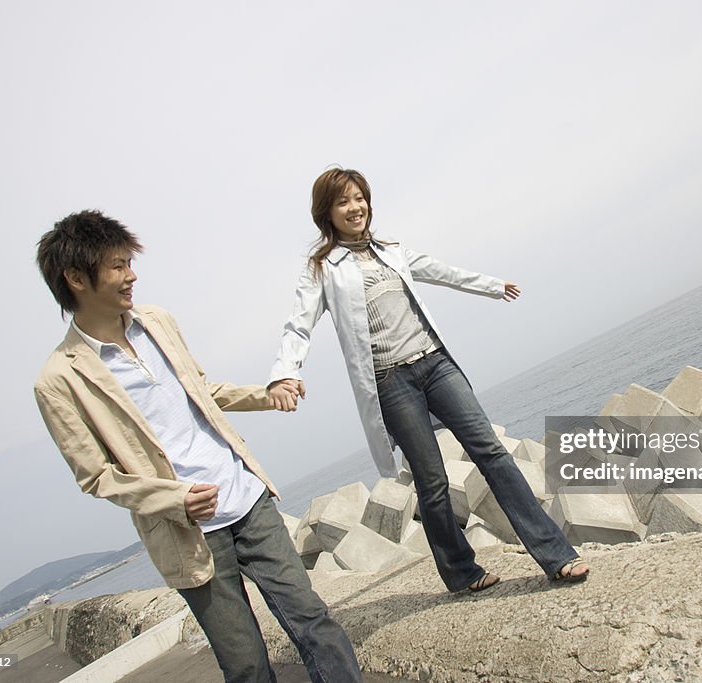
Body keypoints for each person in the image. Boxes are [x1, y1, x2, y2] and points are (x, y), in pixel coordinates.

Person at [33, 210, 362, 683]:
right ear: (76, 278)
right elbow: (97, 476)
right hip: (188, 533)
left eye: (129, 262)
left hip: (246, 497)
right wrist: (176, 500)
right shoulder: (58, 379)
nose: (132, 275)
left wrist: (266, 394)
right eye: (118, 266)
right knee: (245, 663)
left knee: (313, 619)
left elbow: (201, 388)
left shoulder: (157, 321)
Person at [267, 168, 590, 593]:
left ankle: (556, 555)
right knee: (432, 480)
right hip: (391, 381)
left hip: (435, 364)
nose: (355, 207)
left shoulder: (392, 251)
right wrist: (284, 375)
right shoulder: (323, 269)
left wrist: (493, 285)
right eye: (343, 201)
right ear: (327, 213)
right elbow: (298, 326)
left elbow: (443, 271)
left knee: (491, 451)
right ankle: (462, 572)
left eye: (360, 197)